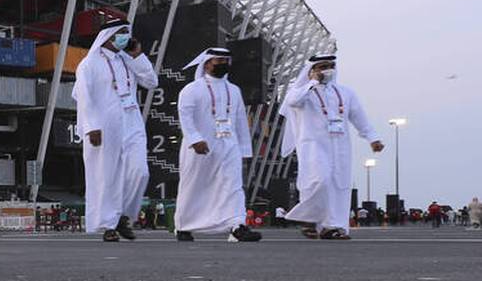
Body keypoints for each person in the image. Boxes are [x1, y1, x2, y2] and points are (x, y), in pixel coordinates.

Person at [280, 54, 383, 240]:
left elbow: (359, 117)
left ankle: (331, 226)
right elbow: (293, 102)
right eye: (321, 66)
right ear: (311, 70)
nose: (326, 70)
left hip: (340, 145)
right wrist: (311, 83)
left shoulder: (346, 92)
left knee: (339, 185)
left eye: (329, 66)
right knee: (320, 180)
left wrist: (372, 138)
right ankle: (308, 218)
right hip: (313, 145)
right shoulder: (302, 91)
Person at [73, 19, 158, 241]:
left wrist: (138, 56)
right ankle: (109, 225)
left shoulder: (128, 61)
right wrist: (91, 127)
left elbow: (151, 82)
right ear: (108, 36)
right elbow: (84, 97)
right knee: (106, 175)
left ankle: (123, 216)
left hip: (132, 121)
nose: (125, 37)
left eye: (127, 33)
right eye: (121, 33)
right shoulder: (89, 64)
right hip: (104, 125)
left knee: (140, 171)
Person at [173, 47, 261, 242]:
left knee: (233, 185)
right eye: (218, 61)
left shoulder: (234, 90)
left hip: (229, 144)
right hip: (199, 147)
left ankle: (237, 225)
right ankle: (184, 226)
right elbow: (185, 117)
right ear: (207, 64)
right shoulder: (191, 90)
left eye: (226, 61)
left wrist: (245, 149)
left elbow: (239, 120)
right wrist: (195, 139)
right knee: (194, 185)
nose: (223, 65)